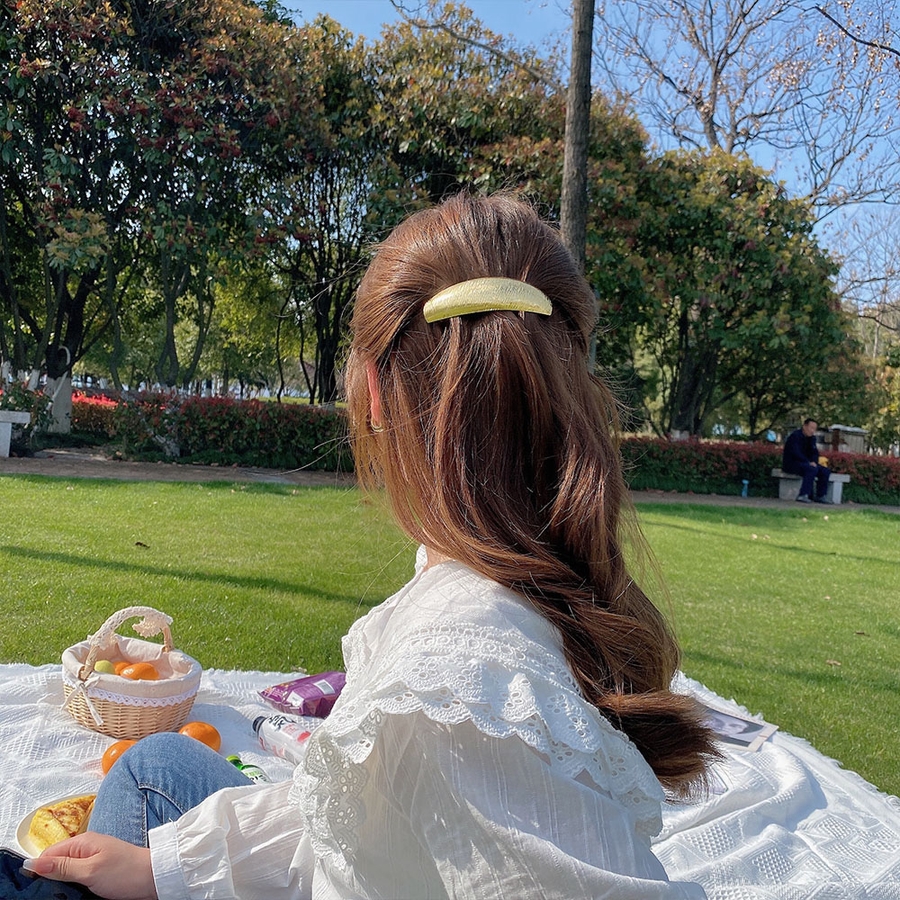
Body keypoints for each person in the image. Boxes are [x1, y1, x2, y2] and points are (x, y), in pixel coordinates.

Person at [27, 193, 718, 899]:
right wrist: (169, 868)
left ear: (378, 394)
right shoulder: (504, 604)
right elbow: (355, 820)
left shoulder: (452, 684)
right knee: (159, 765)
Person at [782, 418, 831, 503]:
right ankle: (803, 494)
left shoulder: (812, 439)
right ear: (804, 426)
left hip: (806, 463)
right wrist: (808, 462)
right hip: (792, 463)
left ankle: (821, 495)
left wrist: (814, 462)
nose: (812, 431)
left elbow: (814, 453)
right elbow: (795, 453)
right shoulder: (795, 436)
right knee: (811, 469)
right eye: (811, 428)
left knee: (825, 471)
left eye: (814, 429)